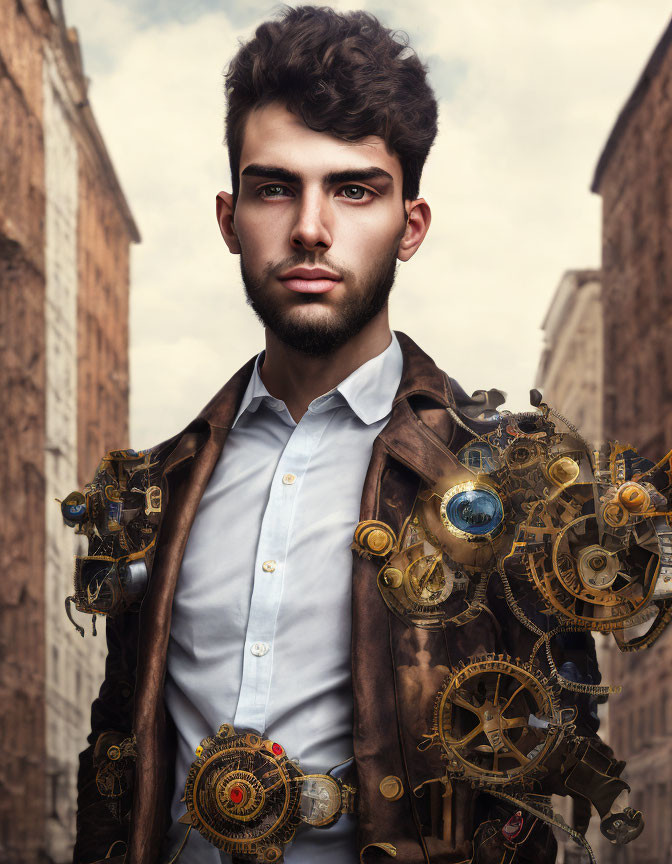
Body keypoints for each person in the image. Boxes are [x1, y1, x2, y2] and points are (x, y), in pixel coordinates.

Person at [72, 6, 606, 864]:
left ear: (412, 226)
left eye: (354, 189)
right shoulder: (154, 491)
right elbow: (113, 773)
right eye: (275, 187)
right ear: (228, 218)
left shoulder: (507, 484)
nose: (311, 228)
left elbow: (542, 788)